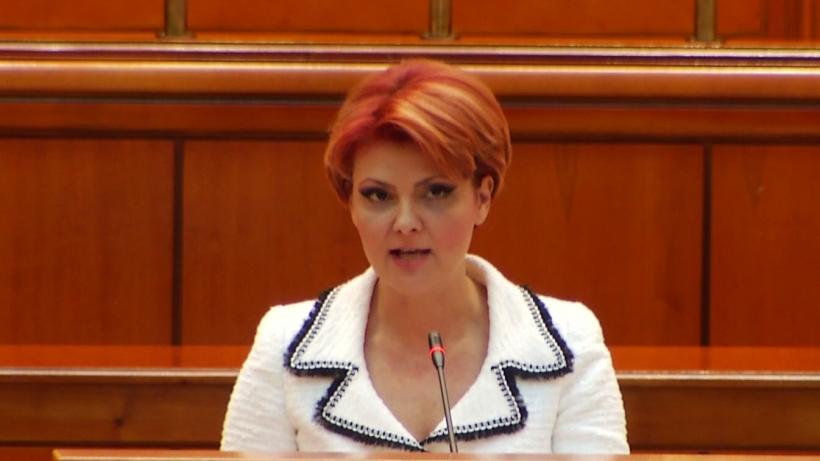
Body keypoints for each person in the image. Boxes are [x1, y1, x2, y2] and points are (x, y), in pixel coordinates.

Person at [221, 59, 628, 454]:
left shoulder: (569, 342)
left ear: (482, 198)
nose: (405, 223)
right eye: (378, 196)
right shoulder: (285, 343)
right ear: (350, 204)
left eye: (435, 193)